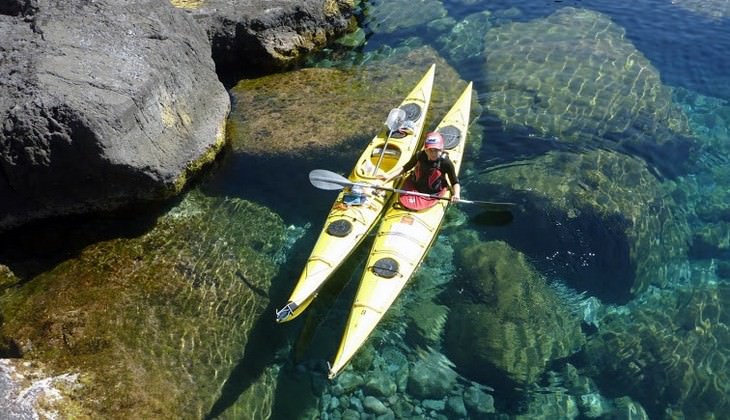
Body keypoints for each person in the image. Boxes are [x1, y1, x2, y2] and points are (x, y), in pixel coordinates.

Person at [380, 131, 461, 209]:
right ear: (425, 149)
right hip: (415, 186)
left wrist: (456, 194)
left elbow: (454, 182)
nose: (433, 153)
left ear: (441, 149)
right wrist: (388, 176)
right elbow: (405, 168)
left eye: (436, 150)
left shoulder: (446, 162)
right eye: (430, 150)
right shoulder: (419, 155)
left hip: (433, 193)